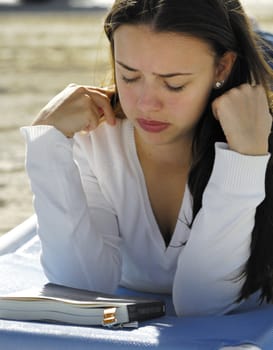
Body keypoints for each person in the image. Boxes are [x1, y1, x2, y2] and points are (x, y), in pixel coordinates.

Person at [21, 0, 273, 316]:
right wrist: (45, 143)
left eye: (174, 83)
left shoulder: (258, 139)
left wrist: (245, 158)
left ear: (222, 68)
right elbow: (80, 287)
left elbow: (201, 304)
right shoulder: (97, 137)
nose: (146, 104)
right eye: (128, 76)